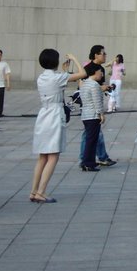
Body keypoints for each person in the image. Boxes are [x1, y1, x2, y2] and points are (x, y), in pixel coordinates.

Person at [30, 49, 86, 203]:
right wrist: (74, 58)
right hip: (54, 115)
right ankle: (41, 192)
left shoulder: (41, 77)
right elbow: (82, 74)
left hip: (43, 114)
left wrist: (64, 72)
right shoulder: (57, 77)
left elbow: (57, 83)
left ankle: (34, 191)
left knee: (42, 156)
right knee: (53, 155)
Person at [78, 45, 116, 167]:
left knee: (92, 134)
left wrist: (105, 87)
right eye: (103, 54)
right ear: (96, 55)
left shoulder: (101, 69)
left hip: (95, 103)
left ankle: (91, 158)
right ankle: (90, 159)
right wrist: (100, 88)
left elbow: (99, 84)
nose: (105, 56)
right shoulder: (88, 68)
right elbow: (84, 85)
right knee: (93, 135)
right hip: (91, 107)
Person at [79, 64, 106, 172]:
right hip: (93, 116)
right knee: (92, 140)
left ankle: (87, 161)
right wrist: (101, 114)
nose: (102, 74)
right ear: (95, 72)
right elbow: (97, 101)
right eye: (100, 71)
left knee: (90, 139)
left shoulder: (84, 84)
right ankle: (88, 163)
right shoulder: (94, 85)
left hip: (85, 115)